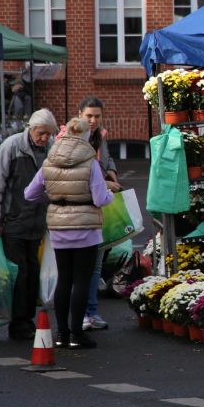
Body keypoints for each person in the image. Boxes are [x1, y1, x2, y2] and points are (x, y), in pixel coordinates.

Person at [25, 116, 114, 348]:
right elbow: (100, 198)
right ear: (85, 138)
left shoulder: (49, 161)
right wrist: (111, 194)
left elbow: (29, 194)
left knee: (64, 279)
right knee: (81, 281)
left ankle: (62, 334)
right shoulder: (90, 163)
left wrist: (54, 198)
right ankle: (77, 334)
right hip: (86, 228)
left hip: (59, 227)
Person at [0, 109, 57, 339]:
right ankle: (17, 323)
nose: (45, 138)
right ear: (31, 128)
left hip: (37, 224)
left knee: (32, 271)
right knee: (20, 273)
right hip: (13, 222)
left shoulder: (51, 148)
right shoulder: (12, 147)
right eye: (41, 133)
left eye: (48, 134)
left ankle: (26, 319)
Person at [71, 97, 121, 332]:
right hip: (79, 212)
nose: (92, 120)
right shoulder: (70, 139)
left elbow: (107, 157)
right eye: (89, 115)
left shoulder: (99, 135)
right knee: (80, 268)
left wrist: (111, 170)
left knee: (96, 266)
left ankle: (91, 312)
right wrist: (104, 185)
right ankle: (80, 316)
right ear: (79, 113)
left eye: (97, 116)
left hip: (98, 209)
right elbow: (74, 175)